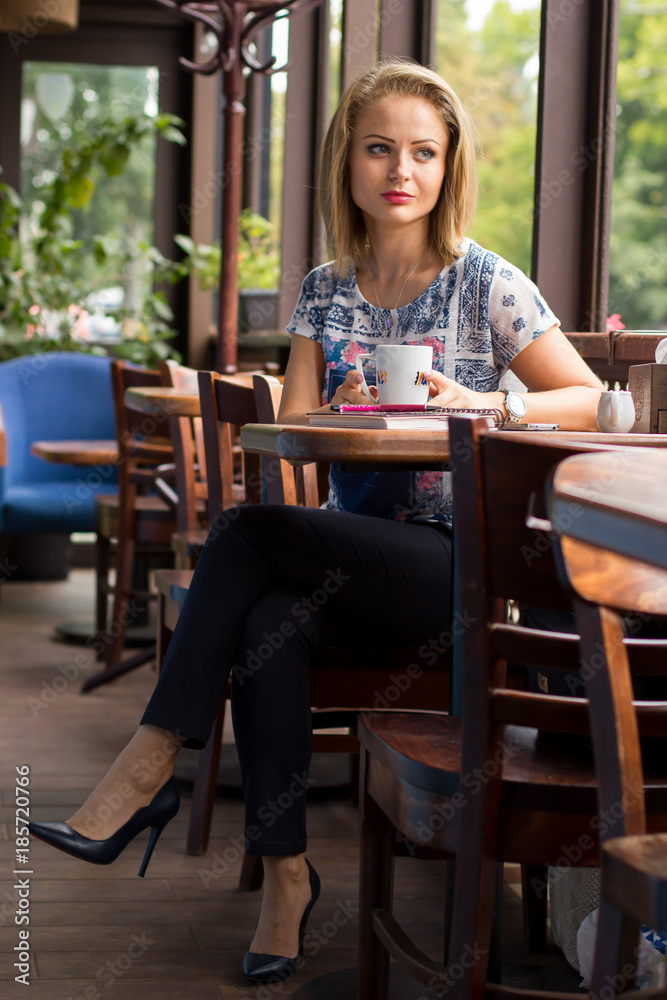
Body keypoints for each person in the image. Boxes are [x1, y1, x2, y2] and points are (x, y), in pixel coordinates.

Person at [28, 59, 604, 984]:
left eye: (422, 151)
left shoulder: (484, 282)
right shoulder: (325, 290)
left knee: (247, 533)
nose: (400, 170)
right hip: (355, 560)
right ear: (348, 161)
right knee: (266, 622)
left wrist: (485, 403)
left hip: (454, 568)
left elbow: (586, 400)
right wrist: (338, 408)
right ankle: (287, 881)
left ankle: (146, 766)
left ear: (448, 165)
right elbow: (294, 438)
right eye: (380, 148)